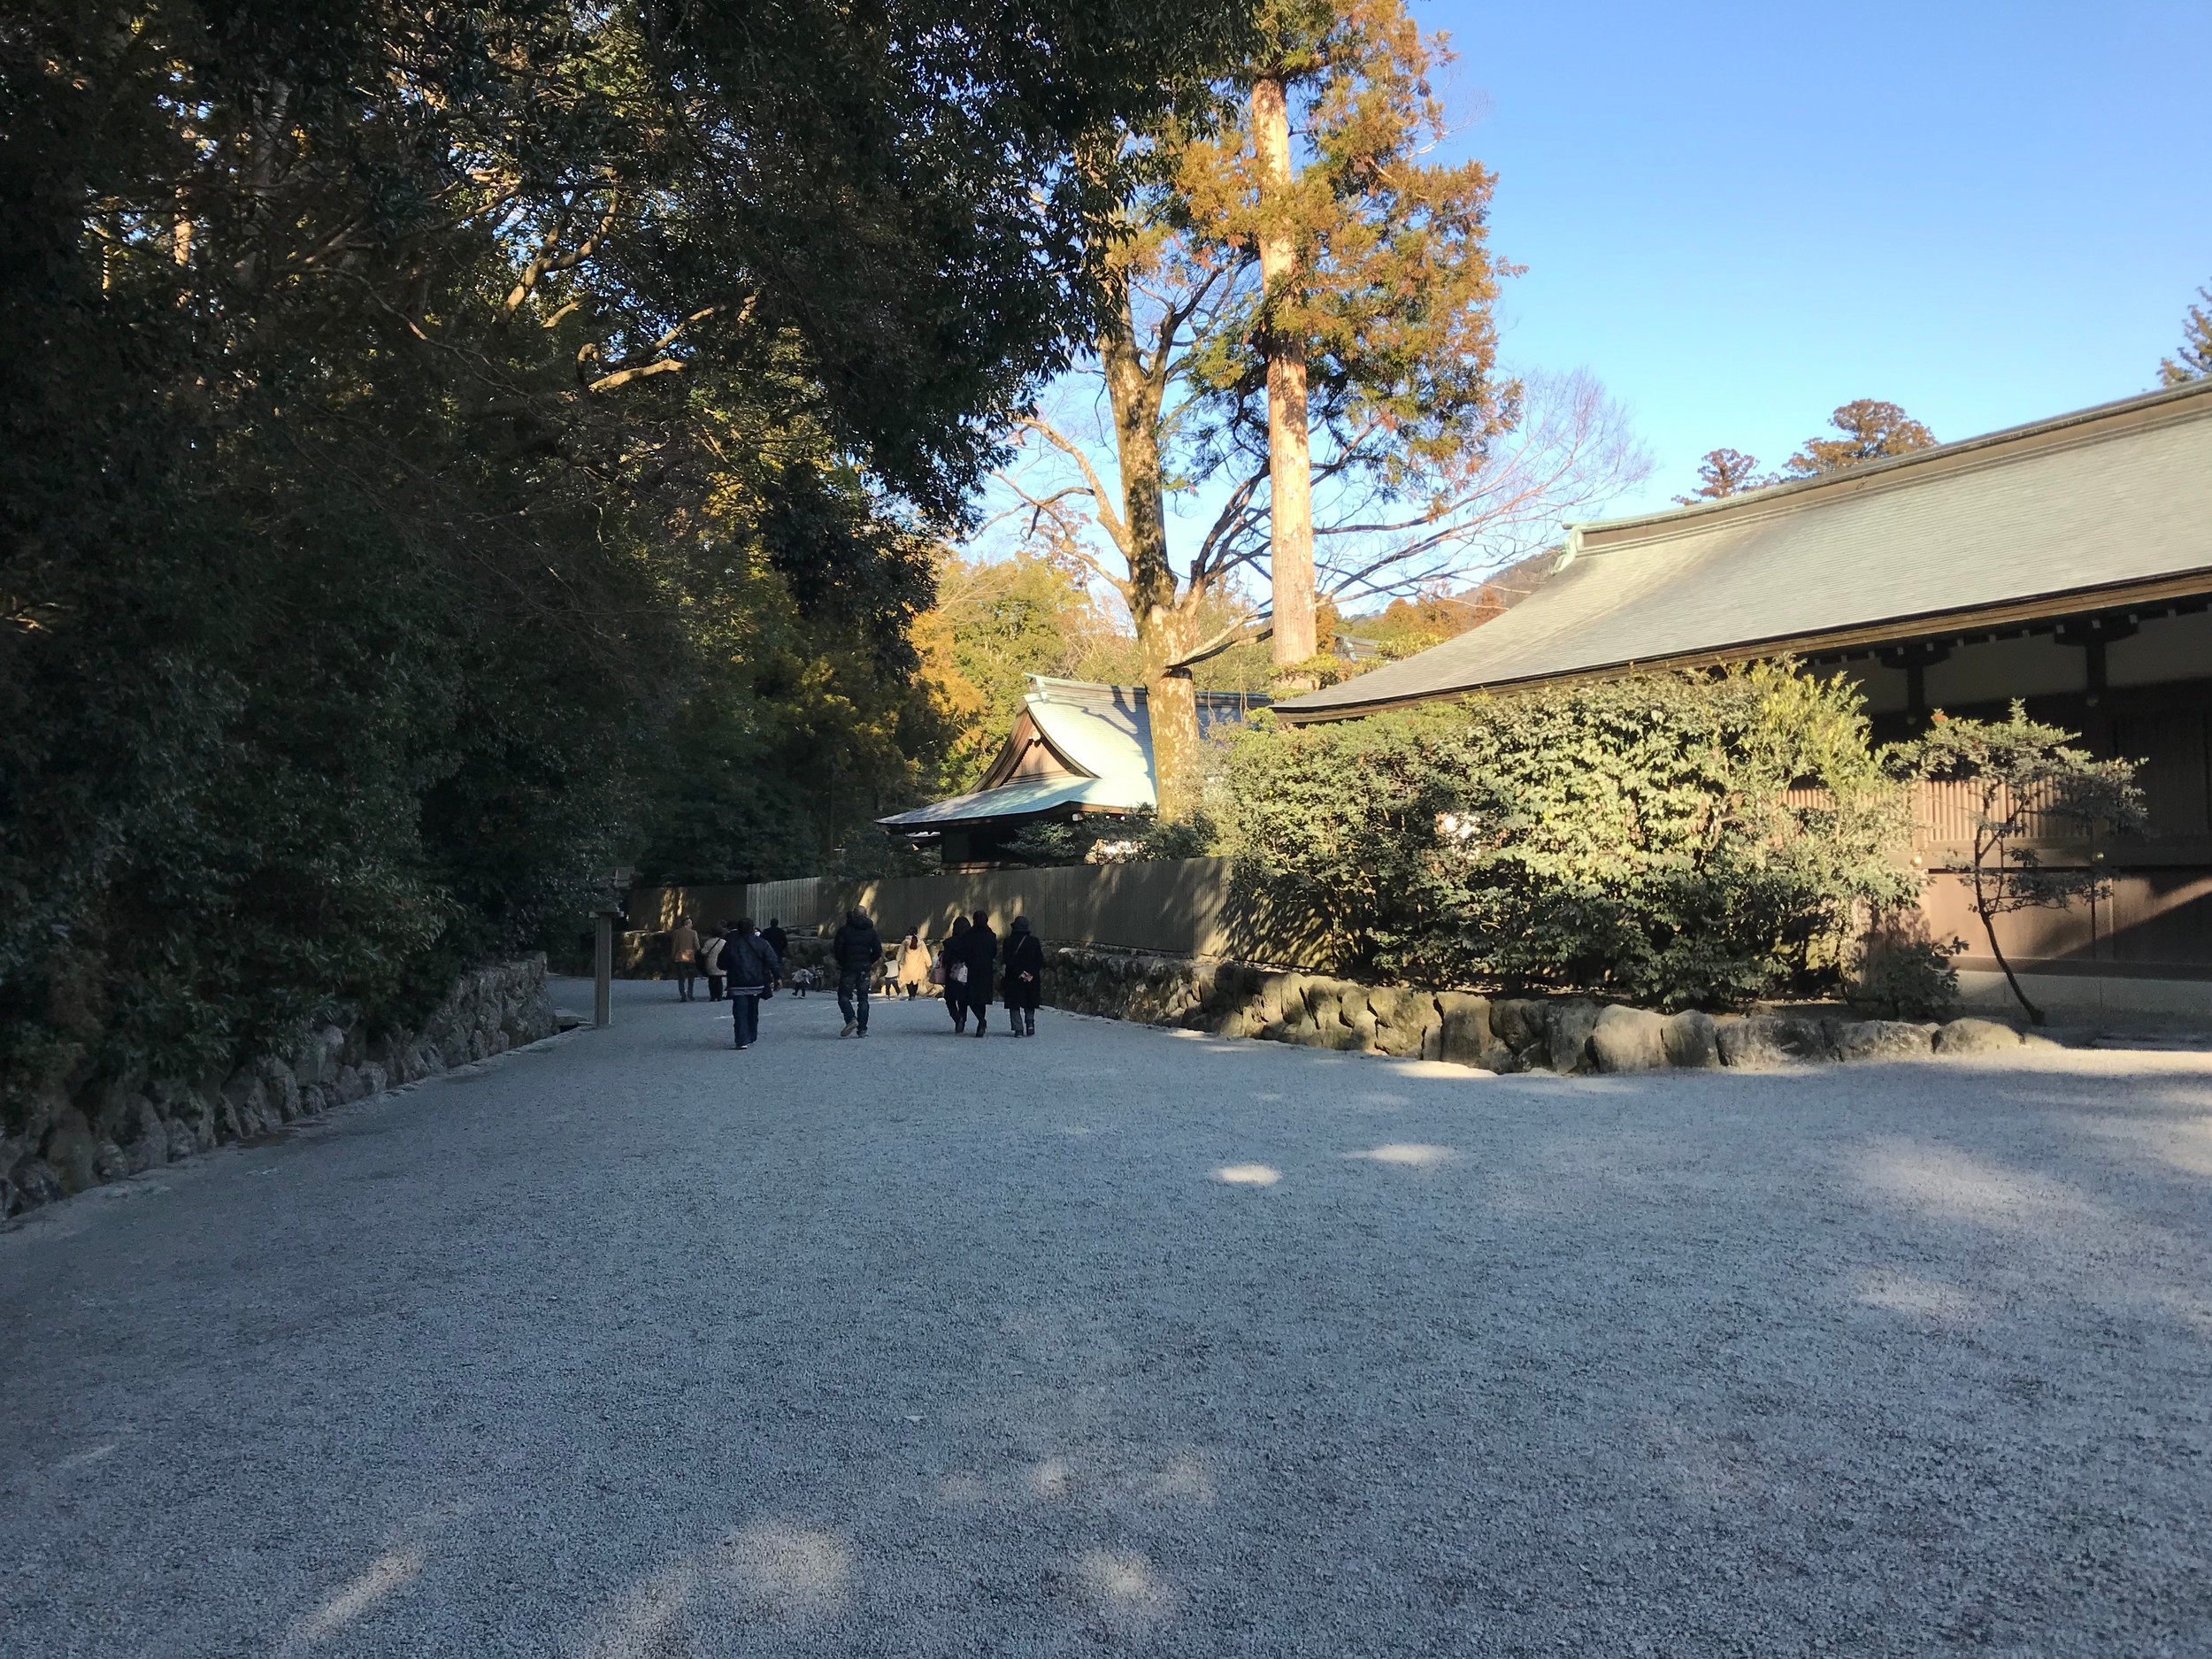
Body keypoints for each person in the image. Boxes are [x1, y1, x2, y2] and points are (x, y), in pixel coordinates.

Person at [721, 919, 780, 1050]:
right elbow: (772, 961)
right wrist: (778, 977)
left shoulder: (731, 944)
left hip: (737, 983)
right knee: (753, 1010)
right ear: (753, 928)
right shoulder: (762, 943)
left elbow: (721, 963)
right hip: (756, 982)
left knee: (740, 1012)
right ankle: (752, 1035)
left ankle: (742, 1040)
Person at [832, 907, 883, 1038]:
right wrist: (869, 961)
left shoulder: (844, 931)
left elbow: (837, 949)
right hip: (864, 968)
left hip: (849, 967)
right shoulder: (871, 931)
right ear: (866, 915)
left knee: (843, 995)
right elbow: (877, 950)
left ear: (853, 915)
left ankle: (851, 1018)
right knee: (863, 998)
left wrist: (843, 962)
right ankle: (862, 1029)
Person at [1002, 915, 1044, 1037]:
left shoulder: (1008, 941)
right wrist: (1031, 973)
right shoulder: (1034, 941)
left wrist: (1020, 972)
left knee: (1014, 1003)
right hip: (1032, 978)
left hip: (1013, 977)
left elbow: (1007, 960)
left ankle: (1018, 1028)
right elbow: (1039, 960)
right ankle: (1030, 1024)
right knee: (1030, 1001)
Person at [963, 909, 997, 1037]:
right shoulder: (991, 935)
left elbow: (964, 951)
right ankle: (981, 1021)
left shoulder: (969, 935)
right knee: (982, 999)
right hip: (986, 970)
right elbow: (994, 952)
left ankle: (981, 1020)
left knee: (971, 998)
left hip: (972, 969)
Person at [941, 915, 972, 1033]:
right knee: (963, 1000)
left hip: (952, 973)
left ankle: (957, 1017)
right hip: (966, 973)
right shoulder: (971, 942)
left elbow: (946, 959)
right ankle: (962, 1018)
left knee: (950, 999)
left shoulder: (949, 943)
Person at [667, 915, 700, 1002]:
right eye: (691, 923)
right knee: (691, 977)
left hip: (679, 957)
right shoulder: (693, 933)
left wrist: (673, 955)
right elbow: (697, 946)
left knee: (681, 978)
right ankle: (690, 994)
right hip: (690, 957)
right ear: (688, 924)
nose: (692, 925)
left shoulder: (676, 933)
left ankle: (683, 995)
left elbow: (674, 946)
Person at [895, 926, 932, 999]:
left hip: (907, 964)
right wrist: (929, 963)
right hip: (918, 964)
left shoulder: (905, 942)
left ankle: (910, 994)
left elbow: (900, 952)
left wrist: (898, 960)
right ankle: (913, 995)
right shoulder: (921, 942)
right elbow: (925, 953)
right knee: (915, 980)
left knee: (908, 981)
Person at [700, 923, 727, 1002]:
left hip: (711, 962)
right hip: (720, 963)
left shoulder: (709, 942)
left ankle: (713, 996)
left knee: (711, 980)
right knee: (719, 980)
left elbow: (703, 952)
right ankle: (719, 996)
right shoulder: (723, 942)